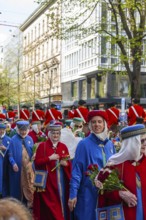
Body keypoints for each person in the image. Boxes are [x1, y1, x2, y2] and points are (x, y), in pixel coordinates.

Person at [68, 110, 116, 220]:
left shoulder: (110, 144)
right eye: (93, 122)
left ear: (104, 124)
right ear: (90, 125)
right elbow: (76, 171)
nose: (97, 125)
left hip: (108, 195)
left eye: (100, 122)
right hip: (88, 194)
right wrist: (73, 194)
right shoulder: (83, 144)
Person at [97, 124, 146, 220]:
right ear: (132, 143)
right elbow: (102, 190)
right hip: (125, 214)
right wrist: (119, 193)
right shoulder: (114, 164)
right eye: (142, 141)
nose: (145, 143)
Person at [33, 124, 71, 220]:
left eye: (58, 133)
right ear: (49, 134)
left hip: (61, 183)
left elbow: (69, 163)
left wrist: (65, 164)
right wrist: (49, 158)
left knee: (61, 203)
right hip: (48, 183)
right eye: (53, 133)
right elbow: (37, 162)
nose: (55, 135)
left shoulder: (63, 146)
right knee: (50, 207)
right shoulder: (42, 146)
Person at [3, 120, 34, 208]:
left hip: (28, 170)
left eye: (25, 130)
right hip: (17, 170)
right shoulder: (13, 139)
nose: (23, 132)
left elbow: (32, 152)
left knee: (28, 186)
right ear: (18, 130)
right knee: (18, 187)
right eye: (21, 131)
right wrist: (13, 164)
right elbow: (10, 154)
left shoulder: (30, 139)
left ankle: (28, 204)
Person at [0, 123, 11, 198]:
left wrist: (5, 149)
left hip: (4, 162)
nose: (1, 131)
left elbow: (11, 151)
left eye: (2, 130)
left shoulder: (8, 139)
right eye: (0, 130)